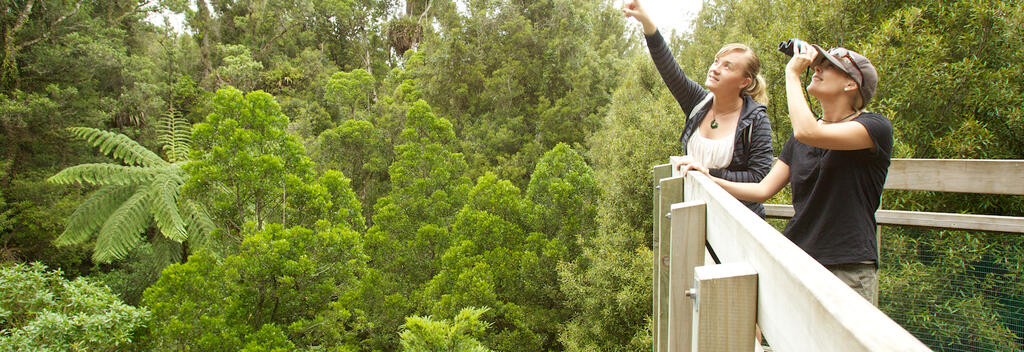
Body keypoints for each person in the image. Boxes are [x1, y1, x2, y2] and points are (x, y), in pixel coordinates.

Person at [681, 39, 889, 304]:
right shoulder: (799, 139)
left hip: (846, 265)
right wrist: (710, 176)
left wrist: (792, 74)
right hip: (797, 259)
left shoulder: (874, 127)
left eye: (829, 67)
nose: (817, 69)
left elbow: (809, 132)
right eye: (818, 64)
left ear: (850, 85)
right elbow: (762, 190)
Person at [622, 0, 774, 218]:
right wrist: (646, 20)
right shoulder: (698, 103)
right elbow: (668, 68)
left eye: (727, 66)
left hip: (737, 225)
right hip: (694, 218)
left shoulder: (756, 121)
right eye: (716, 61)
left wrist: (709, 173)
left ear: (745, 81)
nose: (715, 69)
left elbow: (758, 179)